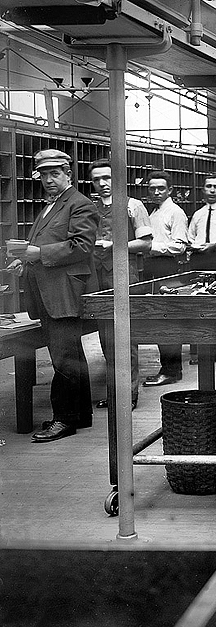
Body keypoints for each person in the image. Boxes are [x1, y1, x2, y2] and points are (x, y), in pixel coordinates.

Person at [7, 150, 98, 442]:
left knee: (63, 357)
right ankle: (79, 415)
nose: (48, 180)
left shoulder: (79, 204)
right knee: (70, 355)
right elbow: (44, 243)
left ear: (68, 174)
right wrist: (25, 260)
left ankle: (64, 420)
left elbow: (82, 246)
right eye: (43, 175)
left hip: (64, 294)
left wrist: (38, 254)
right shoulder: (51, 206)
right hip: (49, 292)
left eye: (54, 174)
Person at [88, 160, 153, 409]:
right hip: (98, 276)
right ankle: (116, 393)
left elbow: (146, 243)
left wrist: (115, 246)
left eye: (107, 178)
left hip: (125, 275)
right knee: (106, 337)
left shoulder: (133, 205)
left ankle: (129, 394)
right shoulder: (92, 207)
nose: (103, 184)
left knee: (126, 337)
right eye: (97, 180)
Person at [142, 170, 189, 387]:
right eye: (152, 188)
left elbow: (180, 246)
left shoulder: (175, 212)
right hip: (153, 267)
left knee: (167, 319)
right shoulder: (153, 212)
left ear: (170, 190)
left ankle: (172, 370)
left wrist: (152, 247)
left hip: (167, 267)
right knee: (159, 319)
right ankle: (168, 367)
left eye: (161, 188)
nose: (156, 192)